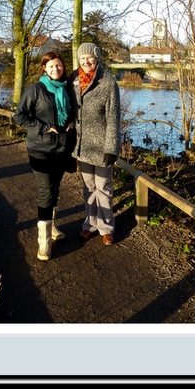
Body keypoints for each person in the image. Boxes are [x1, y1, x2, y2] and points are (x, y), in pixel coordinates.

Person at [14, 50, 75, 261]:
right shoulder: (36, 89)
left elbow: (72, 111)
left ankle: (53, 227)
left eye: (58, 66)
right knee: (46, 190)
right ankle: (44, 240)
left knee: (55, 187)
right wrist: (43, 127)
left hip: (61, 149)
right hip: (40, 149)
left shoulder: (66, 89)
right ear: (44, 69)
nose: (56, 69)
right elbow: (19, 116)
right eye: (51, 67)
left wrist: (72, 121)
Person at [68, 42, 121, 246]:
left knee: (103, 188)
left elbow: (113, 118)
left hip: (101, 147)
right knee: (88, 187)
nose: (86, 61)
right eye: (82, 58)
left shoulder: (107, 83)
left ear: (97, 58)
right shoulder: (72, 79)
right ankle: (90, 224)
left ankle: (106, 228)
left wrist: (111, 148)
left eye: (90, 58)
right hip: (81, 147)